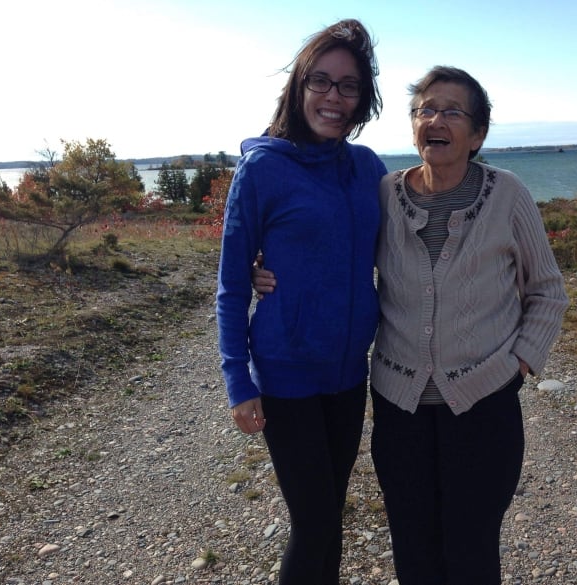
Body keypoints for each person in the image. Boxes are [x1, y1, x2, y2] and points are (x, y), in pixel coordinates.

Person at [254, 65, 568, 584]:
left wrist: (520, 363)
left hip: (484, 409)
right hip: (400, 412)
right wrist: (263, 264)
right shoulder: (383, 193)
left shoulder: (507, 194)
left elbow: (548, 292)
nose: (435, 120)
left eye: (451, 111)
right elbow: (330, 251)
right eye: (424, 109)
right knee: (414, 555)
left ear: (479, 133)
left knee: (470, 556)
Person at [216, 19, 386, 585]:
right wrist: (238, 382)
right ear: (299, 86)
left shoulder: (368, 169)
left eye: (348, 86)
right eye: (321, 81)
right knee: (315, 523)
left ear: (362, 98)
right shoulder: (262, 169)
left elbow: (413, 241)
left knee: (328, 520)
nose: (333, 97)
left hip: (348, 377)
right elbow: (233, 285)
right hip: (286, 375)